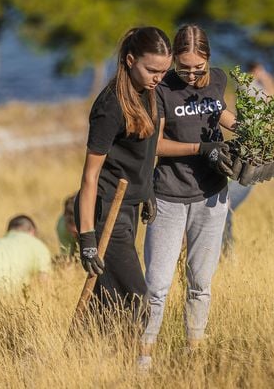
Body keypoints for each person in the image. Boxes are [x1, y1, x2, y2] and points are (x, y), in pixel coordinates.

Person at [138, 24, 236, 369]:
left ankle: (195, 353)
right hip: (169, 195)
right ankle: (144, 357)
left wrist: (240, 127)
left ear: (209, 59)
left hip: (211, 196)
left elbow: (217, 110)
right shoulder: (162, 88)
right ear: (173, 62)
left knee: (200, 282)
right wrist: (200, 148)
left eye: (199, 67)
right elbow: (156, 144)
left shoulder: (218, 78)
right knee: (157, 285)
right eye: (184, 68)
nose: (192, 75)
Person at [74, 26, 172, 325]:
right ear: (130, 60)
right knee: (138, 302)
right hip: (105, 213)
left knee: (108, 307)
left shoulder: (150, 94)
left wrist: (148, 191)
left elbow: (147, 153)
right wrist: (88, 237)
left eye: (164, 71)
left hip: (127, 208)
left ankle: (86, 362)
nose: (159, 77)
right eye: (152, 70)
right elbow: (90, 177)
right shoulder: (110, 107)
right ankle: (134, 367)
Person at [223, 62, 274, 252]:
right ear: (254, 71)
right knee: (225, 208)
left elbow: (273, 103)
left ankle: (227, 251)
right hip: (248, 148)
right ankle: (226, 251)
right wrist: (265, 79)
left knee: (226, 209)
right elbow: (272, 99)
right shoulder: (247, 86)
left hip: (253, 148)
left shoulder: (252, 86)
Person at [56, 192, 78, 257]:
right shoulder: (62, 227)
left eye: (76, 233)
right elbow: (67, 256)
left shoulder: (97, 224)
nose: (73, 235)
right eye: (71, 232)